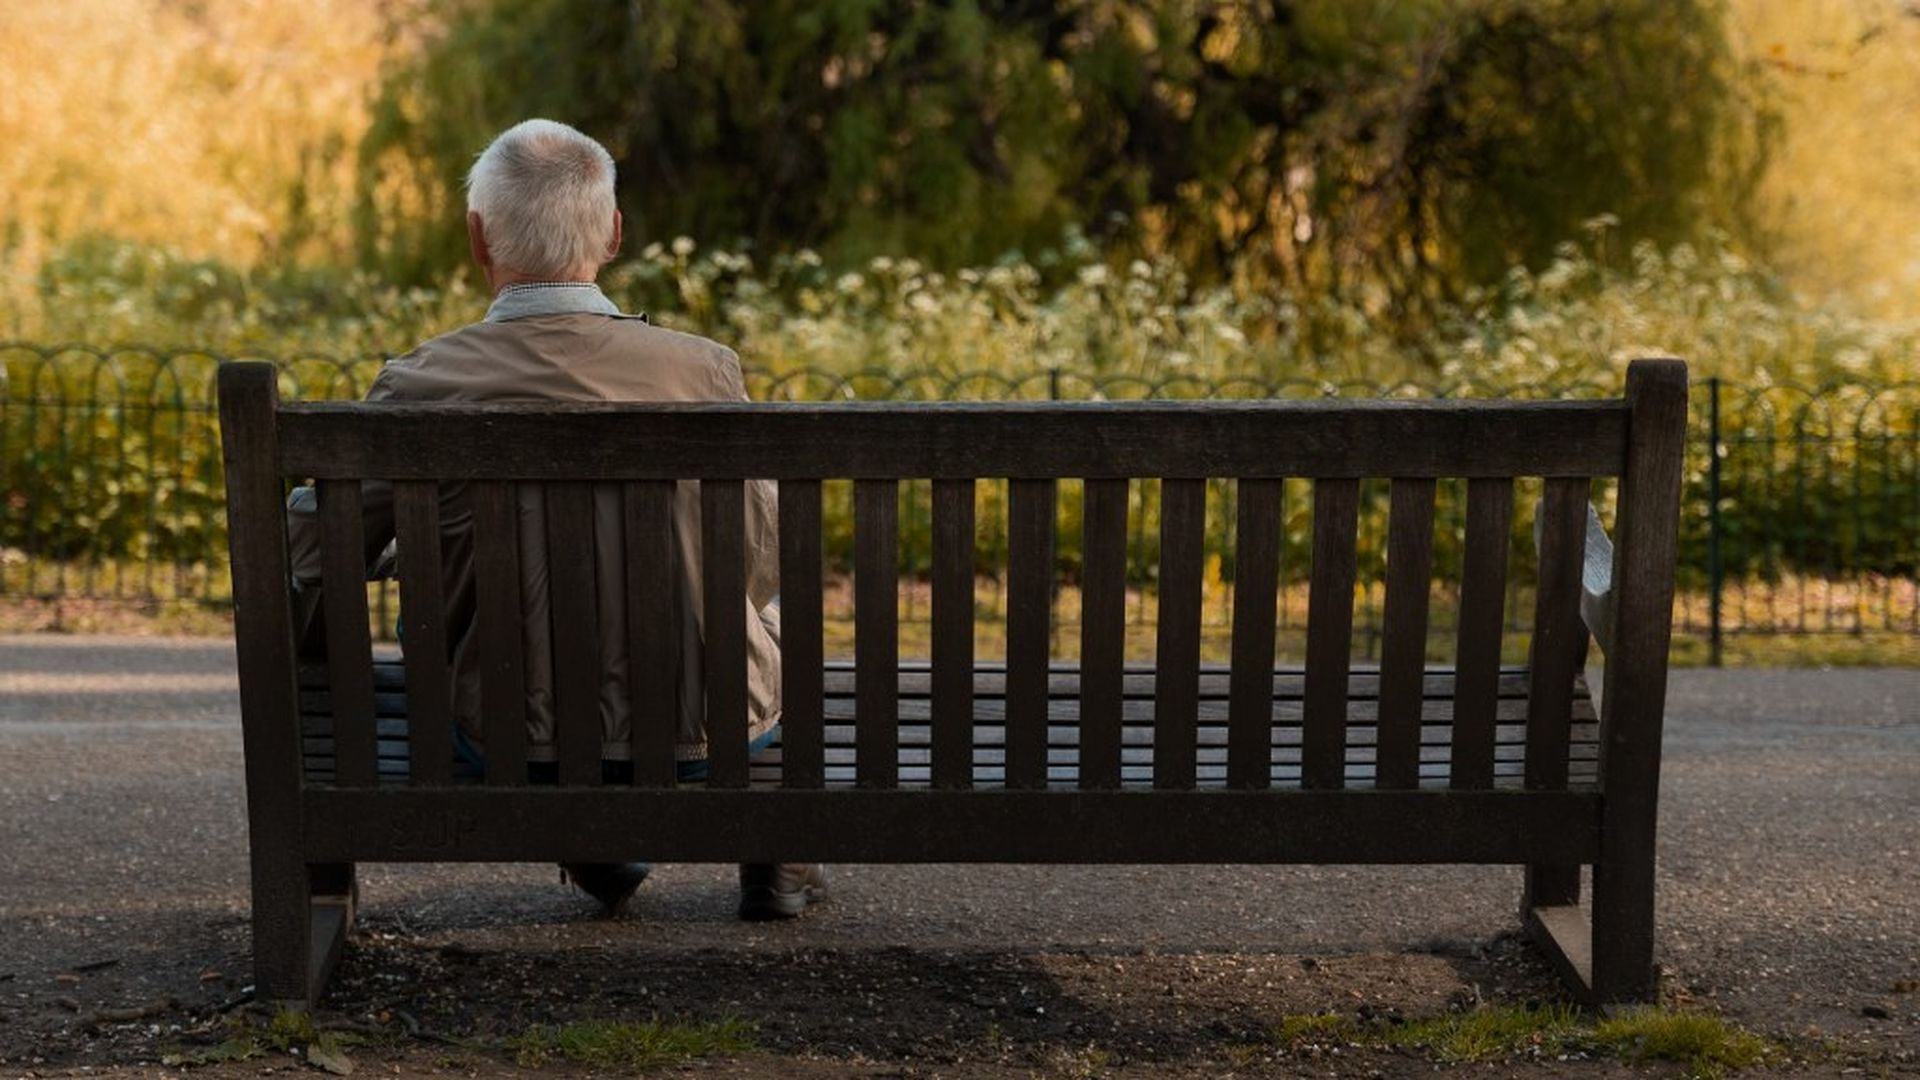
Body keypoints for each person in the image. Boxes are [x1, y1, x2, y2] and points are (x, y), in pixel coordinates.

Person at [284, 119, 823, 921]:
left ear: (477, 238)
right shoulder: (704, 371)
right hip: (706, 732)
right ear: (612, 234)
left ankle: (599, 845)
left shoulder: (421, 384)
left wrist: (397, 567)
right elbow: (755, 562)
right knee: (756, 622)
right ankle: (775, 855)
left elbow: (311, 552)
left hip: (499, 735)